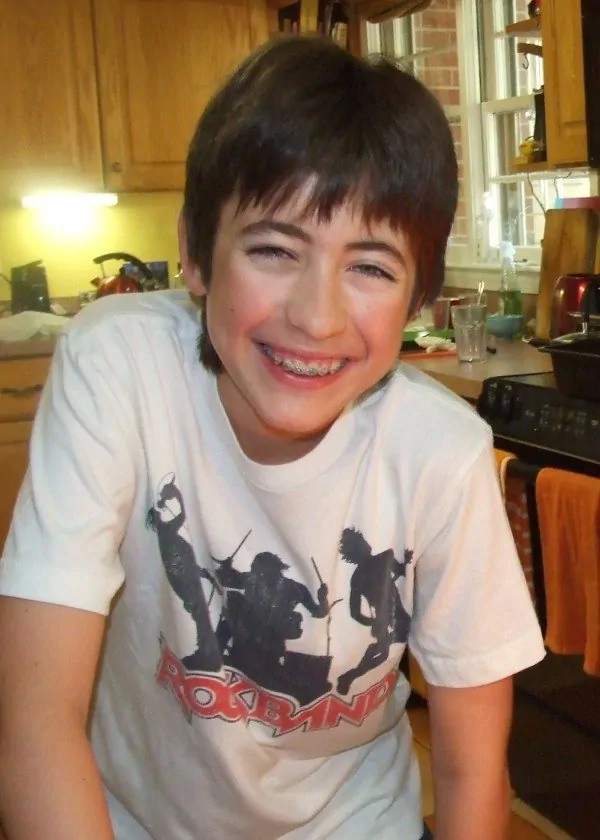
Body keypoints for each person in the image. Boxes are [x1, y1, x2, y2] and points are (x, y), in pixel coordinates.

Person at [0, 35, 544, 840]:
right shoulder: (117, 364)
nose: (317, 318)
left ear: (420, 295)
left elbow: (471, 770)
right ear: (195, 254)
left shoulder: (441, 451)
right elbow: (35, 721)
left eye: (371, 267)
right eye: (273, 250)